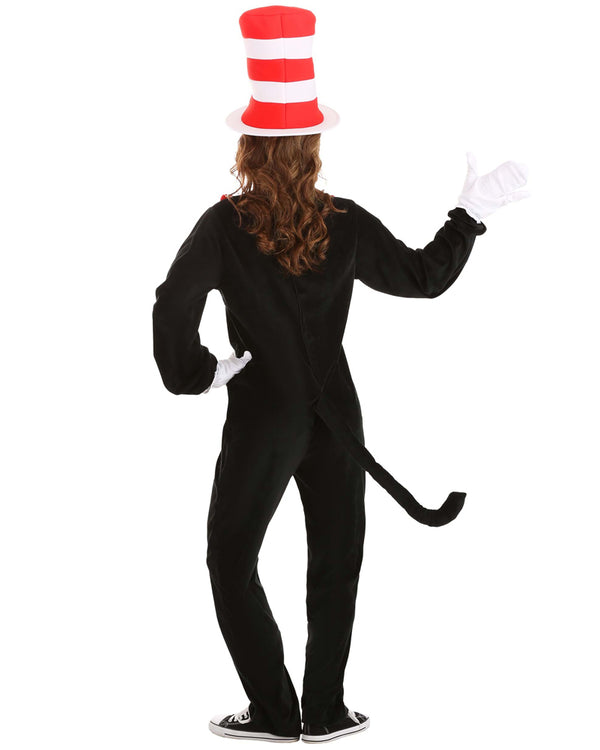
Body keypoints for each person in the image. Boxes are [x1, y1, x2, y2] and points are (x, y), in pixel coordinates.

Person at [152, 5, 529, 744]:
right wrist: (469, 214)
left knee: (231, 558)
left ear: (249, 146)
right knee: (336, 560)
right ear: (313, 146)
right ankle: (323, 712)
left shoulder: (224, 224)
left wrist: (199, 373)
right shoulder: (344, 220)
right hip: (338, 420)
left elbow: (172, 303)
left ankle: (274, 712)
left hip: (263, 418)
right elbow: (423, 278)